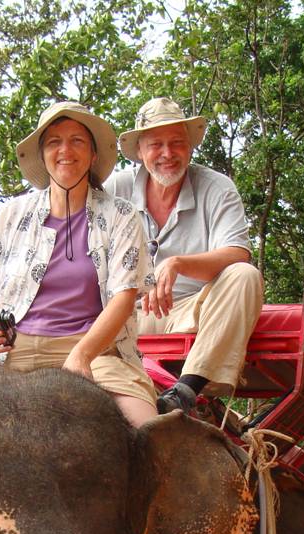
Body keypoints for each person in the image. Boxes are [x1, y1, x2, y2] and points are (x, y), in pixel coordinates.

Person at [0, 101, 156, 427]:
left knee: (149, 434)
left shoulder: (121, 215)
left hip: (97, 353)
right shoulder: (11, 214)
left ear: (93, 155)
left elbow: (124, 298)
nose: (65, 150)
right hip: (12, 351)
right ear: (42, 155)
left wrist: (81, 356)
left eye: (77, 140)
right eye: (54, 142)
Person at [106, 97, 263, 414]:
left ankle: (187, 388)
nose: (167, 154)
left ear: (190, 146)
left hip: (192, 312)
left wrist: (178, 264)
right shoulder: (114, 189)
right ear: (139, 151)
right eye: (156, 145)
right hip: (124, 315)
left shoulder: (216, 187)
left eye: (177, 143)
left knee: (245, 275)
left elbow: (237, 252)